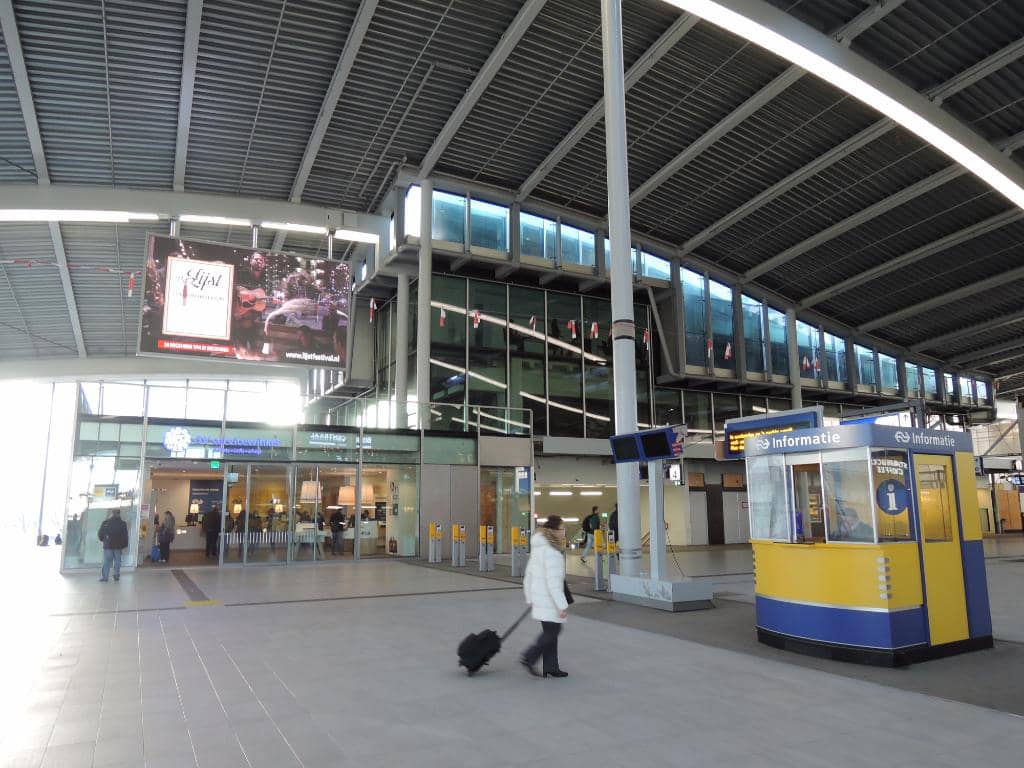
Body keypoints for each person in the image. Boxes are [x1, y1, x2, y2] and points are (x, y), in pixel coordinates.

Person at [520, 515, 569, 678]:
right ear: (554, 531)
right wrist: (562, 605)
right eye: (562, 529)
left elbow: (528, 575)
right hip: (549, 600)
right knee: (553, 631)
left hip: (540, 598)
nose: (564, 532)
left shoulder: (539, 549)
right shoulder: (552, 553)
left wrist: (529, 598)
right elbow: (554, 583)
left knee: (551, 632)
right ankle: (529, 657)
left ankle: (551, 666)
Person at [98, 510, 129, 582]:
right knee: (117, 561)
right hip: (118, 546)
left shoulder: (106, 523)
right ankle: (116, 575)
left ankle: (105, 577)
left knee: (107, 561)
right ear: (119, 514)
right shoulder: (123, 524)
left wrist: (103, 540)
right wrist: (124, 545)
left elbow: (100, 534)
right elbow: (125, 536)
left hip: (108, 545)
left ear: (111, 514)